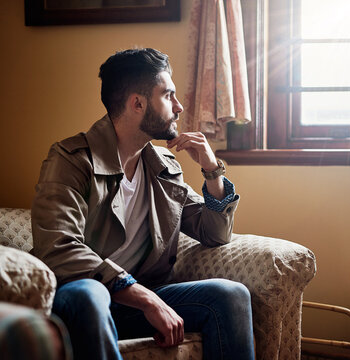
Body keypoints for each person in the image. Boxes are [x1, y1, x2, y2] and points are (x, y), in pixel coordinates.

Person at [31, 48, 255, 360]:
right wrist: (145, 297)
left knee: (230, 295)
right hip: (81, 296)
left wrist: (212, 170)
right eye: (168, 95)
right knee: (90, 294)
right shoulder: (70, 160)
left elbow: (214, 233)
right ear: (137, 103)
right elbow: (58, 247)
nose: (178, 107)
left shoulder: (162, 165)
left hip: (136, 301)